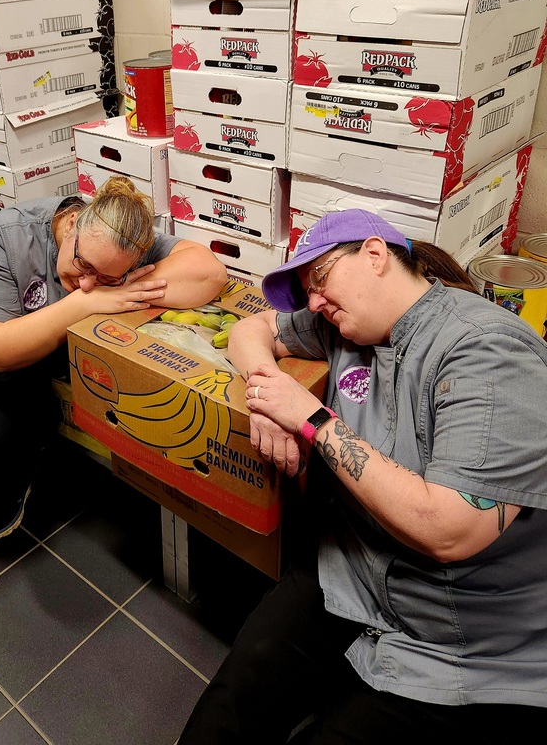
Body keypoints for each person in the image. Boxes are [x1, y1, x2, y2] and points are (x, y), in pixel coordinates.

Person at [178, 209, 547, 744]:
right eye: (308, 293)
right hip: (353, 573)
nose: (315, 303)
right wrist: (265, 391)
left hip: (465, 639)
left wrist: (311, 418)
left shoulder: (488, 351)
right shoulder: (342, 328)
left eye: (321, 280)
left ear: (374, 255)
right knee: (233, 702)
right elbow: (250, 327)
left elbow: (449, 529)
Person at [0, 175, 227, 542]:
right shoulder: (9, 232)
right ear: (74, 222)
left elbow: (209, 273)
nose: (89, 281)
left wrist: (124, 287)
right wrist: (85, 303)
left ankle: (8, 479)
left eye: (106, 276)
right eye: (84, 265)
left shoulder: (125, 239)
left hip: (30, 373)